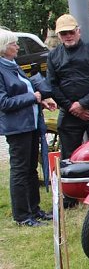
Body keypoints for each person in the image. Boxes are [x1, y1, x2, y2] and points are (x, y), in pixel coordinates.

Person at [0, 29, 56, 226]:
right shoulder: (1, 69)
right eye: (13, 44)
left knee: (31, 168)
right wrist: (32, 98)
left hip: (30, 124)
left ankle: (35, 209)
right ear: (3, 48)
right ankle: (23, 216)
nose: (17, 46)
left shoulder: (12, 65)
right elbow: (3, 103)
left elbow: (27, 90)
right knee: (20, 170)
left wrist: (40, 101)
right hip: (17, 128)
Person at [46, 14, 89, 160]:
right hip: (69, 113)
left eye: (71, 32)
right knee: (68, 158)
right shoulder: (53, 56)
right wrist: (73, 108)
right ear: (58, 35)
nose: (68, 36)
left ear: (78, 31)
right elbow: (52, 85)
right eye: (64, 33)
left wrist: (83, 104)